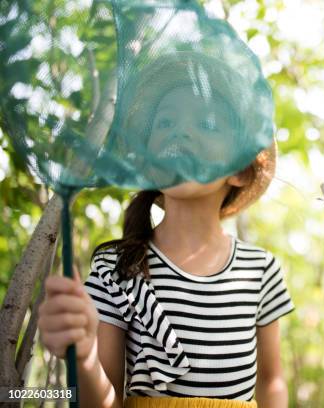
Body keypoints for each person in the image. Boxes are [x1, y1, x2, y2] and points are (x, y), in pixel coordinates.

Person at [37, 53, 294, 408]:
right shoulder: (116, 267)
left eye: (205, 125)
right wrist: (83, 357)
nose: (180, 132)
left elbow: (272, 382)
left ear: (240, 170)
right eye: (165, 124)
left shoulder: (261, 270)